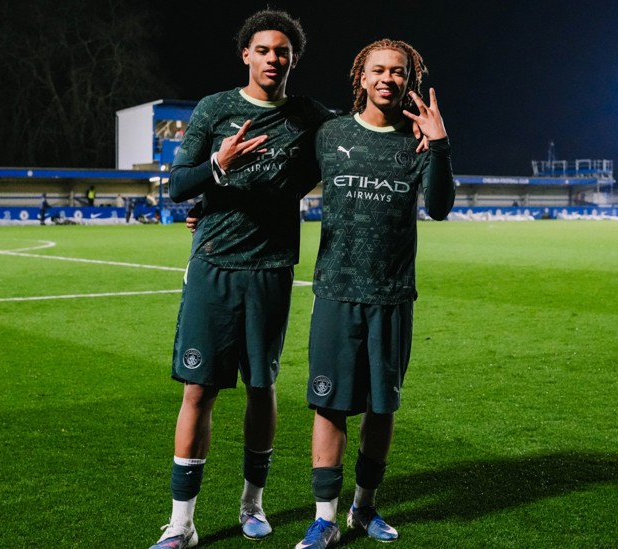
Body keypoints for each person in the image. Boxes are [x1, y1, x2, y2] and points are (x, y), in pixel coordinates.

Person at [149, 9, 333, 549]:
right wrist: (218, 164)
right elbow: (178, 185)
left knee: (261, 386)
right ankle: (181, 523)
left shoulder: (308, 115)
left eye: (283, 51)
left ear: (293, 60)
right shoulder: (215, 109)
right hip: (214, 265)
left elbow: (357, 131)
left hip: (271, 268)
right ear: (246, 54)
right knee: (198, 389)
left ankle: (252, 503)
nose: (274, 58)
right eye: (264, 49)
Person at [294, 38, 455, 549]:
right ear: (361, 77)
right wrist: (209, 206)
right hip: (337, 292)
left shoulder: (419, 140)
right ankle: (324, 518)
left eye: (398, 71)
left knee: (381, 408)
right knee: (329, 406)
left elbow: (441, 207)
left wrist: (440, 144)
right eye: (379, 70)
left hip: (392, 295)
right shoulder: (331, 134)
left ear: (410, 80)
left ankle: (364, 508)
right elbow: (284, 186)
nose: (388, 78)